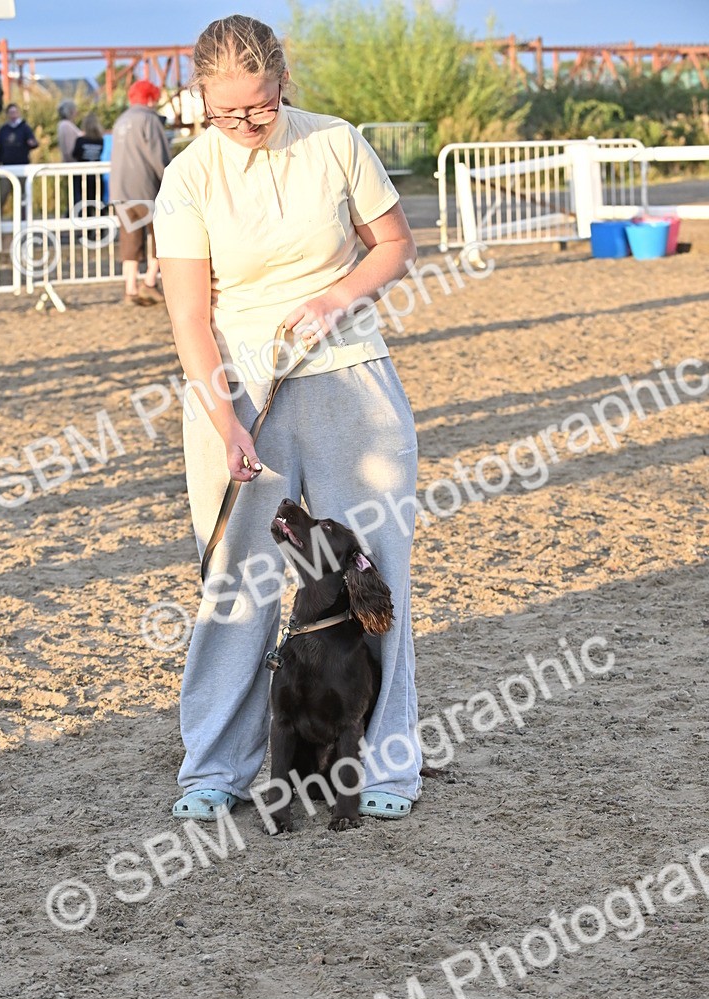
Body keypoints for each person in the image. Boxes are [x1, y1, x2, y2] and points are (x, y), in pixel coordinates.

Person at [154, 15, 422, 823]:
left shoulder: (336, 142)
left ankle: (385, 764)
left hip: (352, 378)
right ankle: (216, 766)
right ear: (200, 96)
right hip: (237, 392)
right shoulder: (188, 178)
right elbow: (190, 318)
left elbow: (394, 243)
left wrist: (337, 296)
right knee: (235, 581)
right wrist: (224, 420)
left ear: (282, 85)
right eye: (226, 112)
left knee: (375, 574)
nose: (245, 126)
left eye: (261, 108)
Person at [110, 79, 170, 306]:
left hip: (120, 190)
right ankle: (150, 282)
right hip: (145, 189)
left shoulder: (120, 120)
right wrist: (171, 179)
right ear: (150, 98)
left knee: (129, 240)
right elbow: (159, 157)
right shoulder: (149, 120)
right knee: (160, 236)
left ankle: (130, 288)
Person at [0, 103, 38, 210]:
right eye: (11, 112)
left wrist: (31, 143)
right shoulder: (3, 130)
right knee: (2, 194)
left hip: (22, 167)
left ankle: (24, 218)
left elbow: (33, 143)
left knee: (23, 195)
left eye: (15, 112)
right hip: (6, 168)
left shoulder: (24, 128)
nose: (13, 115)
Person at [73, 111, 105, 217]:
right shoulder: (100, 140)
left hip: (82, 176)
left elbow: (75, 154)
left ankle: (86, 228)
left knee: (83, 203)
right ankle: (99, 228)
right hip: (96, 175)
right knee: (97, 202)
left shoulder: (80, 140)